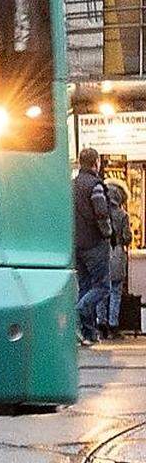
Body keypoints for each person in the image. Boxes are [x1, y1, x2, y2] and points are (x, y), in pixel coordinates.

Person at [74, 148, 113, 346]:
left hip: (76, 245)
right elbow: (101, 213)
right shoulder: (95, 185)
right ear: (95, 162)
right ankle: (77, 312)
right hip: (94, 244)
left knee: (85, 286)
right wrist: (108, 233)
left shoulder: (72, 185)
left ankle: (88, 333)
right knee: (103, 287)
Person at [100, 179, 133, 339]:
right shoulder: (123, 215)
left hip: (102, 252)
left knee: (101, 290)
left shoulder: (101, 212)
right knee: (115, 291)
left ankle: (101, 324)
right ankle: (113, 325)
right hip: (117, 252)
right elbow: (127, 237)